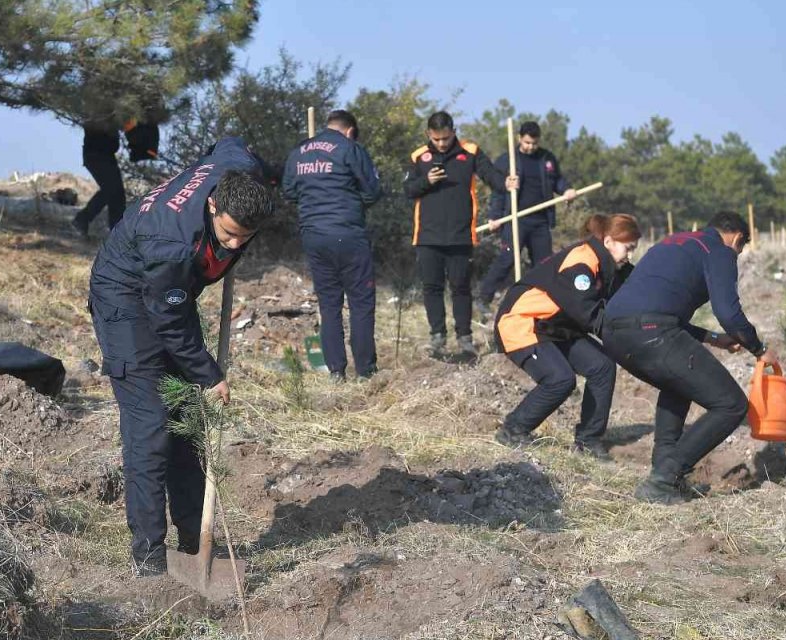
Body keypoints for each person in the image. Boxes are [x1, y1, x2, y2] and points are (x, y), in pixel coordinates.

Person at [88, 138, 276, 576]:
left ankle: (194, 543)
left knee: (185, 420)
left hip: (168, 298)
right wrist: (210, 375)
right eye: (228, 234)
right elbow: (169, 320)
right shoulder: (169, 242)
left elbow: (231, 144)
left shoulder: (237, 171)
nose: (232, 246)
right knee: (151, 425)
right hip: (126, 298)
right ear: (211, 206)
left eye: (244, 238)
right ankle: (150, 558)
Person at [601, 211, 779, 504]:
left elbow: (656, 306)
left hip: (613, 331)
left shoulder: (674, 242)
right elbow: (728, 313)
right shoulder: (720, 251)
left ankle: (665, 475)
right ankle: (663, 480)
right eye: (741, 247)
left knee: (678, 385)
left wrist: (713, 340)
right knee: (731, 404)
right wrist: (759, 348)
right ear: (736, 238)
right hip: (651, 329)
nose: (738, 253)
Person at [493, 214, 640, 459]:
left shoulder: (610, 265)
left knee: (602, 366)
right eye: (629, 248)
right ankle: (513, 430)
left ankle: (588, 440)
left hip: (556, 327)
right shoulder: (582, 262)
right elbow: (586, 312)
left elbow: (638, 284)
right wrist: (624, 338)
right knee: (560, 379)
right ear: (609, 241)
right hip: (523, 322)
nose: (630, 255)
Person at [403, 111, 518, 357]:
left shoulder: (471, 152)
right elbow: (408, 190)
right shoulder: (418, 157)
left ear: (453, 132)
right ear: (428, 135)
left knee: (461, 288)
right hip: (427, 237)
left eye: (446, 138)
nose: (442, 144)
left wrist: (507, 183)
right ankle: (437, 338)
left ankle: (465, 339)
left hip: (461, 235)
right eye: (436, 139)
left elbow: (492, 176)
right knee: (432, 288)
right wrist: (427, 180)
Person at [281, 109, 384, 381]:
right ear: (350, 131)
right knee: (361, 303)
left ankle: (336, 371)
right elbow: (372, 191)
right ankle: (365, 371)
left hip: (314, 236)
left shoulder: (299, 152)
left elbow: (289, 191)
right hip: (348, 234)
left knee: (329, 305)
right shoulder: (350, 149)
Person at [477, 121, 578, 317]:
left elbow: (557, 180)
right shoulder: (507, 160)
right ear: (519, 139)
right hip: (516, 219)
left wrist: (567, 190)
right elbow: (498, 191)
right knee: (507, 258)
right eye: (526, 143)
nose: (530, 147)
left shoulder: (547, 159)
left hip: (540, 220)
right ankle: (483, 299)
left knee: (544, 264)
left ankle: (540, 305)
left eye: (534, 143)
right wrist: (494, 217)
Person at [70, 122, 128, 238]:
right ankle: (82, 220)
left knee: (115, 193)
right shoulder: (99, 111)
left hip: (105, 156)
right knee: (113, 190)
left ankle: (116, 233)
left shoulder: (111, 112)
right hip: (96, 155)